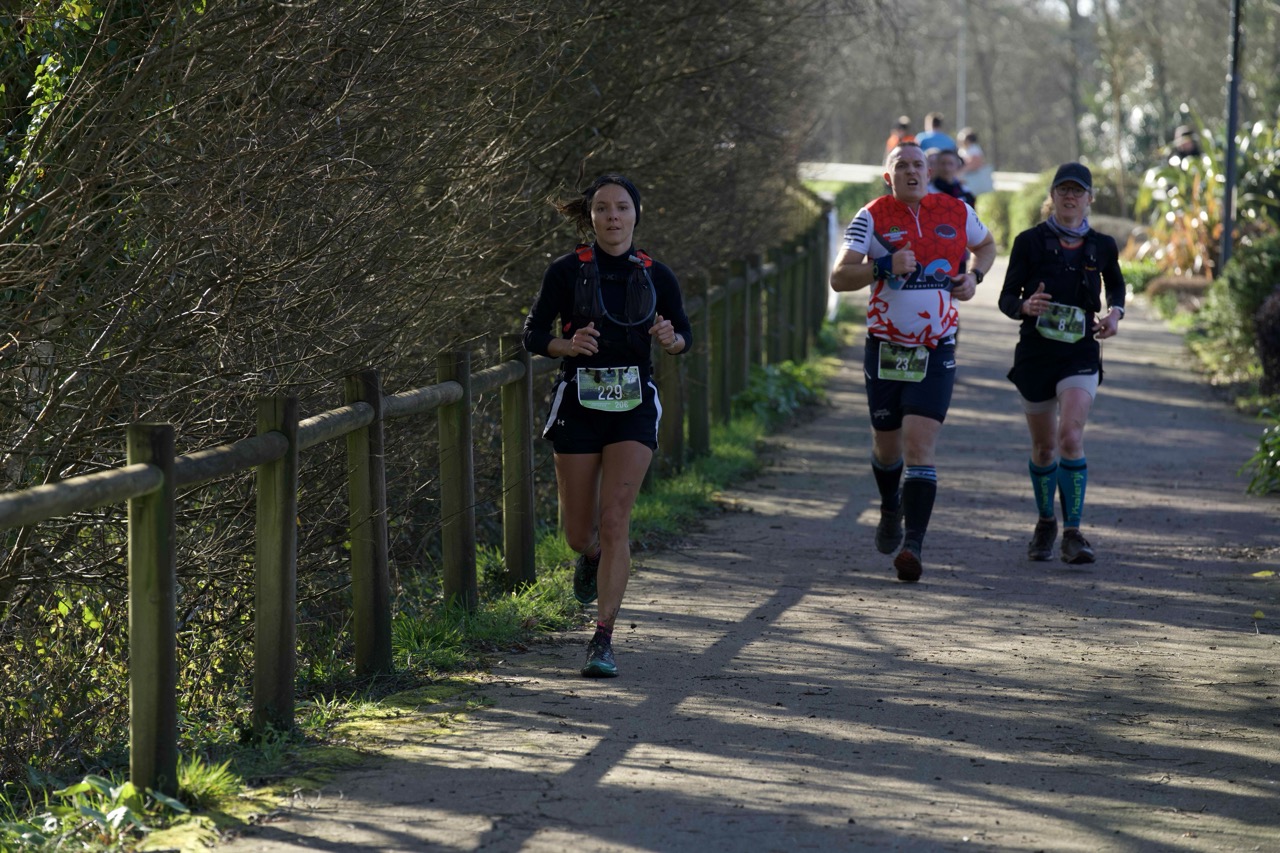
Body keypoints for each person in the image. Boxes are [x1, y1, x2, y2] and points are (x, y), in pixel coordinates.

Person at [522, 174, 693, 676]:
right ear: (590, 216)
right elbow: (532, 334)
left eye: (621, 207)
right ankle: (591, 554)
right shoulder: (565, 271)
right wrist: (566, 345)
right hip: (579, 402)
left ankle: (602, 639)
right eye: (602, 208)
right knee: (579, 534)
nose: (612, 216)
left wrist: (671, 339)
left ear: (636, 215)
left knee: (616, 519)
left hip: (634, 404)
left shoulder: (656, 274)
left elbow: (684, 334)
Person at [830, 141, 997, 582]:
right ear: (889, 177)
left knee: (919, 444)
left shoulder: (957, 211)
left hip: (936, 345)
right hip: (885, 348)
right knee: (887, 448)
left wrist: (974, 277)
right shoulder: (871, 216)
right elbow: (839, 277)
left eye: (918, 165)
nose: (911, 172)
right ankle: (890, 507)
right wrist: (882, 266)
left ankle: (913, 546)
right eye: (901, 166)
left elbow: (987, 245)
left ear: (929, 171)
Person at [997, 162, 1125, 564]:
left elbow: (1116, 285)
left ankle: (1073, 533)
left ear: (1089, 199)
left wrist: (1115, 314)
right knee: (1044, 447)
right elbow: (1006, 298)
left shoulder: (1102, 245)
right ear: (1052, 196)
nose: (1070, 197)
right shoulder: (1029, 242)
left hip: (1079, 352)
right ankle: (1045, 521)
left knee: (1069, 436)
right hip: (1036, 354)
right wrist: (1024, 306)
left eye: (1077, 191)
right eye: (1063, 190)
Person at [957, 128, 994, 195]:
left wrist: (961, 172)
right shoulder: (963, 149)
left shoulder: (974, 149)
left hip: (973, 179)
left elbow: (974, 164)